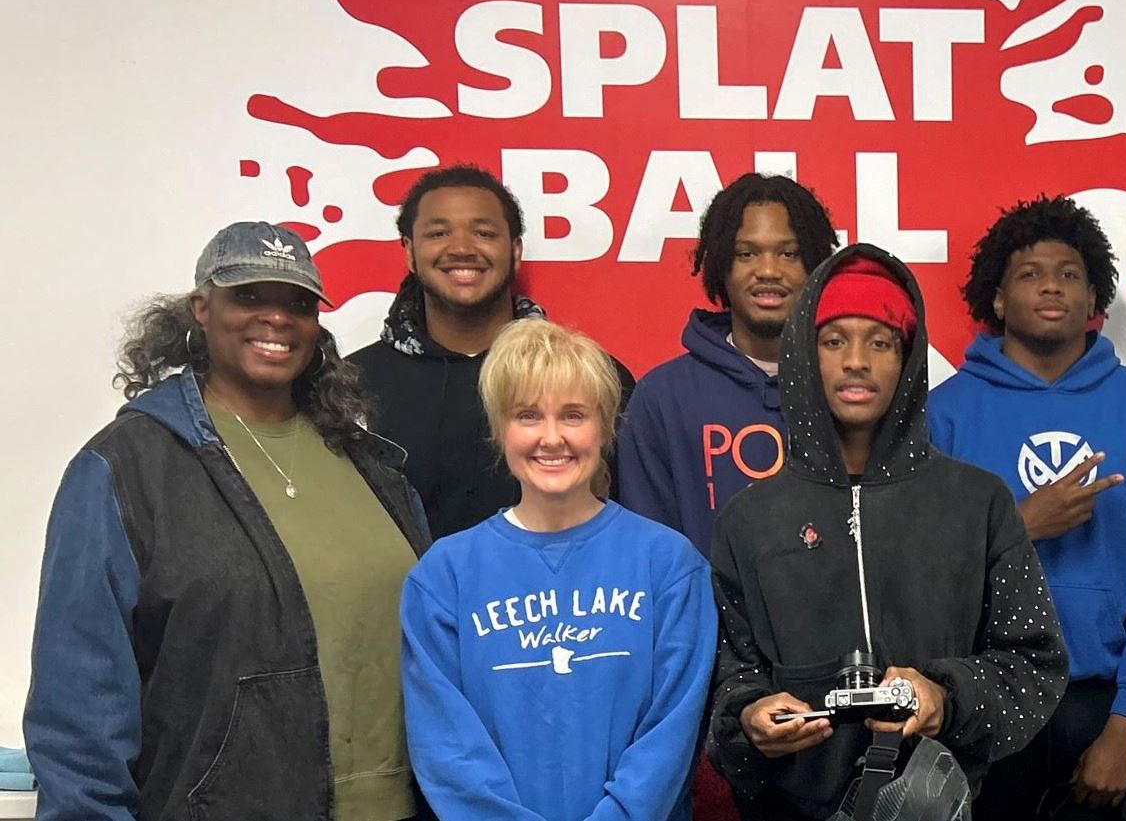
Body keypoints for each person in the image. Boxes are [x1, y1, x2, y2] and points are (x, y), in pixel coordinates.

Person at [27, 222, 431, 820]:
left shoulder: (371, 464)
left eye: (297, 302)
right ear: (200, 309)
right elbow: (77, 704)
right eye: (247, 296)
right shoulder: (125, 467)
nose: (276, 318)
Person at [708, 244, 1068, 820]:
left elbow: (1033, 663)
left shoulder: (978, 503)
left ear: (907, 359)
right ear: (804, 355)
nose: (857, 360)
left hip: (943, 804)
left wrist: (944, 698)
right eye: (834, 341)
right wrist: (749, 719)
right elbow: (726, 674)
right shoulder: (749, 519)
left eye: (880, 342)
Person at [929, 195, 1126, 820]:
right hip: (980, 701)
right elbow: (917, 578)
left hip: (1104, 711)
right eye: (1029, 273)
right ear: (997, 299)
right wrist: (1020, 526)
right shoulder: (941, 417)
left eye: (1069, 273)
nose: (1051, 285)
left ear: (1094, 297)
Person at [401, 320, 713, 821]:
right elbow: (447, 749)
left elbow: (670, 735)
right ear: (500, 428)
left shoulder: (669, 565)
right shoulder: (444, 576)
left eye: (573, 415)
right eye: (528, 415)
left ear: (605, 426)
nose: (552, 438)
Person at [351, 163, 634, 539]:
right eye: (438, 233)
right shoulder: (352, 385)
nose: (462, 248)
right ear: (409, 252)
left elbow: (629, 519)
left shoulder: (590, 377)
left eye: (484, 233)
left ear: (515, 251)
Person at [619, 172, 841, 552]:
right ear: (722, 264)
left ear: (816, 265)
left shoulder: (850, 386)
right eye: (746, 253)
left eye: (789, 253)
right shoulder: (662, 398)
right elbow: (650, 553)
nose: (769, 271)